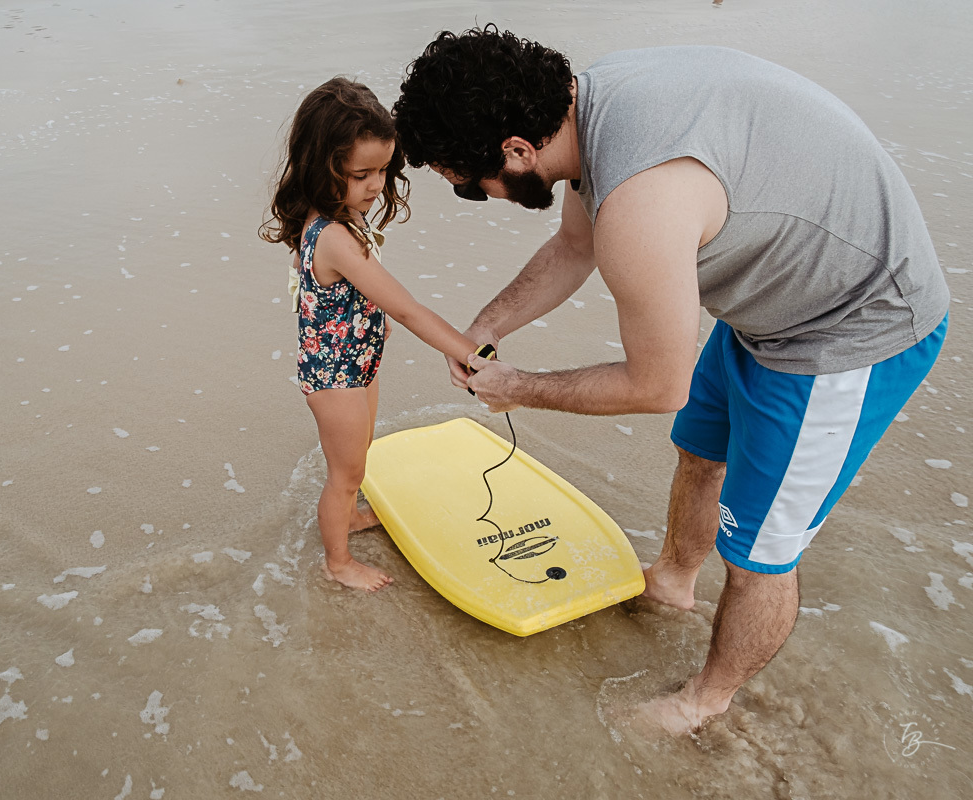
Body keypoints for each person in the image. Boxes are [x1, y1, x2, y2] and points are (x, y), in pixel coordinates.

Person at [393, 28, 949, 732]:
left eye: (471, 187)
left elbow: (658, 387)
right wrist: (490, 325)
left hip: (850, 326)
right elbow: (573, 245)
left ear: (517, 151)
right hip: (776, 296)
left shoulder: (639, 200)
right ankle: (675, 582)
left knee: (758, 556)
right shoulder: (591, 106)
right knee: (701, 450)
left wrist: (519, 386)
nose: (480, 196)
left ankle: (703, 703)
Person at [260, 77, 483, 593]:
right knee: (345, 471)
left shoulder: (338, 217)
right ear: (323, 167)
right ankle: (336, 562)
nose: (377, 184)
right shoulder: (334, 236)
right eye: (361, 174)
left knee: (359, 458)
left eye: (384, 169)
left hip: (357, 362)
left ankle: (351, 515)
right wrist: (473, 354)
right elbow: (405, 309)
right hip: (333, 375)